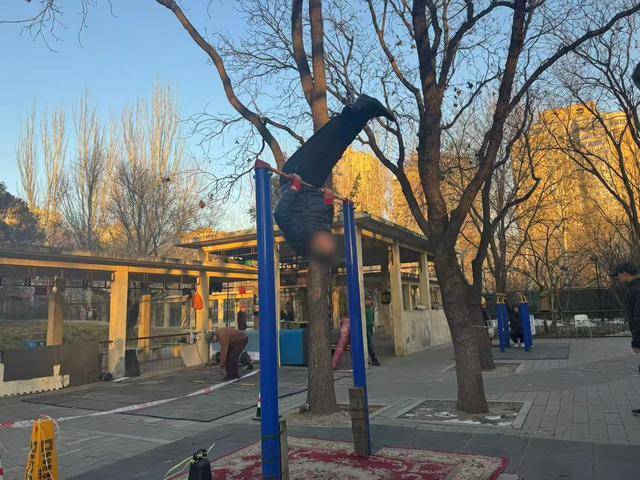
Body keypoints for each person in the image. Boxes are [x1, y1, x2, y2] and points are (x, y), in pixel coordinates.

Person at [274, 94, 393, 261]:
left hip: (295, 175)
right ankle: (367, 111)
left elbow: (281, 215)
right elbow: (326, 216)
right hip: (312, 183)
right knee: (338, 146)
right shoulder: (324, 233)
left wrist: (294, 188)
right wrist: (328, 201)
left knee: (326, 139)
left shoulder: (301, 240)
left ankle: (355, 109)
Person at [611, 262, 640, 416]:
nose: (618, 279)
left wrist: (637, 341)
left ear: (625, 274)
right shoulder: (635, 288)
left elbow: (637, 317)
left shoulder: (636, 289)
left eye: (618, 276)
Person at [365, 296, 381, 366]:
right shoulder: (364, 309)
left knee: (369, 343)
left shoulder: (371, 309)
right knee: (370, 343)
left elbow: (372, 318)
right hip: (366, 327)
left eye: (370, 300)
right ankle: (373, 358)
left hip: (370, 326)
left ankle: (369, 358)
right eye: (367, 300)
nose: (369, 301)